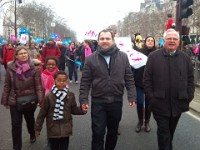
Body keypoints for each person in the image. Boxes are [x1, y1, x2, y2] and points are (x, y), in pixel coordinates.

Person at [79, 29, 137, 150]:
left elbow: (129, 78)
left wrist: (132, 95)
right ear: (98, 41)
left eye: (107, 38)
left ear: (113, 40)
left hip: (116, 101)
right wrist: (83, 99)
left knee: (113, 132)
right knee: (98, 133)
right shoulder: (90, 59)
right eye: (102, 38)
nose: (105, 41)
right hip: (98, 101)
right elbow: (85, 82)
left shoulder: (123, 57)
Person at [143, 29, 195, 150]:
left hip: (178, 104)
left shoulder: (186, 58)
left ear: (178, 41)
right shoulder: (153, 57)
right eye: (169, 38)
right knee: (164, 133)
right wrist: (152, 98)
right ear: (164, 41)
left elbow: (191, 80)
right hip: (159, 104)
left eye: (175, 39)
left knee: (169, 132)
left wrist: (188, 97)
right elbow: (146, 80)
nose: (172, 41)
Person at [1, 46, 44, 150]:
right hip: (15, 99)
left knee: (30, 120)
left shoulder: (35, 68)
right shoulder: (11, 68)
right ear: (16, 56)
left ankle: (32, 133)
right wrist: (5, 100)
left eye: (25, 53)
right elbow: (7, 85)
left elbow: (38, 86)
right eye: (21, 53)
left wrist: (41, 100)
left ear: (28, 54)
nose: (24, 55)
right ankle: (16, 147)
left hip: (30, 99)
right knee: (15, 125)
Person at [35, 70, 85, 150]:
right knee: (54, 147)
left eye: (64, 80)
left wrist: (82, 110)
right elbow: (42, 113)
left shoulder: (70, 95)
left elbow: (74, 109)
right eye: (59, 80)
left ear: (67, 82)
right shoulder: (49, 96)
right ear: (54, 81)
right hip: (53, 129)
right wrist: (37, 128)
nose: (61, 82)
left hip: (66, 129)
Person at [133, 36, 156, 133]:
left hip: (152, 84)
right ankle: (140, 122)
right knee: (140, 102)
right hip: (139, 82)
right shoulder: (139, 52)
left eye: (152, 40)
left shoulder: (157, 54)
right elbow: (133, 65)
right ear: (145, 42)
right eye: (148, 40)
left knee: (149, 104)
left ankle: (147, 122)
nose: (150, 42)